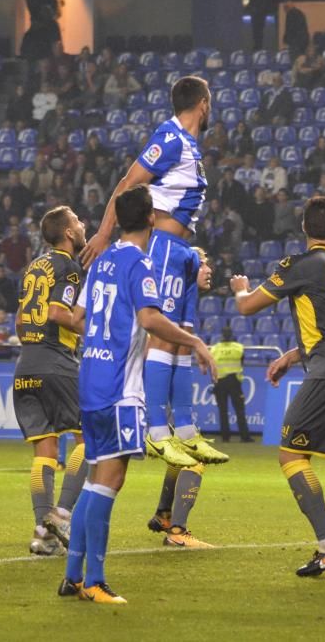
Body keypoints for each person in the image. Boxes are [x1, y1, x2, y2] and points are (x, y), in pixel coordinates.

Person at [59, 185, 217, 604]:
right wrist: (195, 342)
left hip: (90, 379)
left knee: (95, 480)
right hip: (119, 388)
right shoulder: (139, 264)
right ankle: (94, 580)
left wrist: (105, 333)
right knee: (109, 483)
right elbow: (150, 318)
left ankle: (73, 575)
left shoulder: (101, 261)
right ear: (151, 219)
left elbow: (77, 318)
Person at [81, 75, 229, 471]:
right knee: (163, 336)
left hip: (179, 248)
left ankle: (183, 429)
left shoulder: (190, 146)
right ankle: (158, 431)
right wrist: (103, 232)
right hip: (161, 246)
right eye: (209, 103)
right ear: (203, 103)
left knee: (182, 339)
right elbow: (130, 182)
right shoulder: (170, 137)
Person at [235, 195, 325, 578]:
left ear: (304, 228)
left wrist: (239, 288)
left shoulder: (301, 265)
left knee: (291, 454)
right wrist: (290, 356)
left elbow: (248, 307)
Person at [12, 206, 89, 556]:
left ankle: (43, 534)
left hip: (25, 364)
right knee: (91, 437)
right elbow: (59, 313)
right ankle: (62, 514)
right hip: (55, 363)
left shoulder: (34, 266)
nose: (83, 224)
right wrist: (97, 332)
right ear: (69, 234)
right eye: (77, 220)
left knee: (44, 451)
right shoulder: (68, 268)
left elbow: (19, 320)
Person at [147, 246, 219, 549]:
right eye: (203, 264)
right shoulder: (168, 309)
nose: (209, 269)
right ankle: (177, 531)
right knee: (194, 456)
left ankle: (165, 514)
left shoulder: (182, 308)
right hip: (139, 395)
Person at [210, 327, 253, 443]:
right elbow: (242, 362)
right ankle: (245, 436)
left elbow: (212, 367)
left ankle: (225, 437)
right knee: (240, 410)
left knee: (223, 410)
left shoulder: (214, 349)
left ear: (222, 335)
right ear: (232, 335)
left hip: (220, 382)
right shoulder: (238, 348)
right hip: (234, 382)